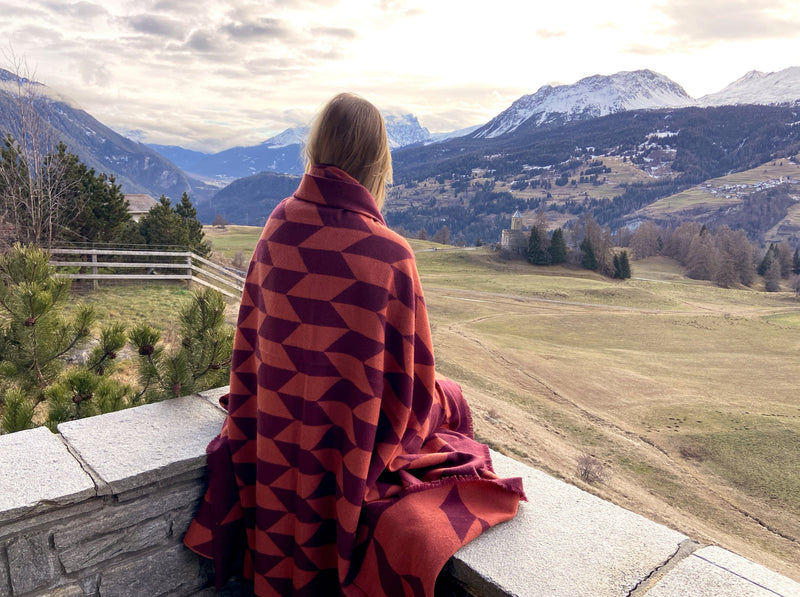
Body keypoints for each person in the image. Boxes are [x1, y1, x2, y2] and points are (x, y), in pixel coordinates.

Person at [184, 92, 524, 597]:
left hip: (276, 432)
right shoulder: (389, 256)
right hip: (353, 442)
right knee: (451, 399)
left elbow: (250, 345)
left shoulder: (278, 224)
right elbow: (411, 389)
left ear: (317, 148)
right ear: (377, 163)